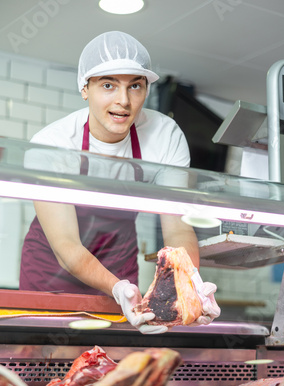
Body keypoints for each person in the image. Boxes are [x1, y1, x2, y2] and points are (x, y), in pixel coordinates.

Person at [19, 31, 220, 333]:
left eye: (135, 86)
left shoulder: (164, 137)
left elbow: (178, 226)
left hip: (119, 262)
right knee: (45, 359)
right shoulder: (52, 144)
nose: (123, 101)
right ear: (85, 89)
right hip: (51, 270)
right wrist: (115, 289)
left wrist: (190, 282)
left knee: (113, 361)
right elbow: (66, 247)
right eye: (108, 85)